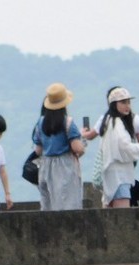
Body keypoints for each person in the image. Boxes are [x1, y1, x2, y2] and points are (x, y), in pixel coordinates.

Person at [33, 82, 86, 211]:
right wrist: (82, 142)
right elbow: (77, 148)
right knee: (68, 204)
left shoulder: (40, 123)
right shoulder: (68, 122)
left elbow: (38, 150)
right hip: (65, 165)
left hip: (46, 165)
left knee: (49, 205)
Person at [97, 87, 139, 208]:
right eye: (123, 102)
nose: (127, 106)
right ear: (114, 104)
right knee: (122, 218)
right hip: (120, 177)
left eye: (128, 102)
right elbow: (124, 147)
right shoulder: (117, 123)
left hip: (111, 176)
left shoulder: (108, 121)